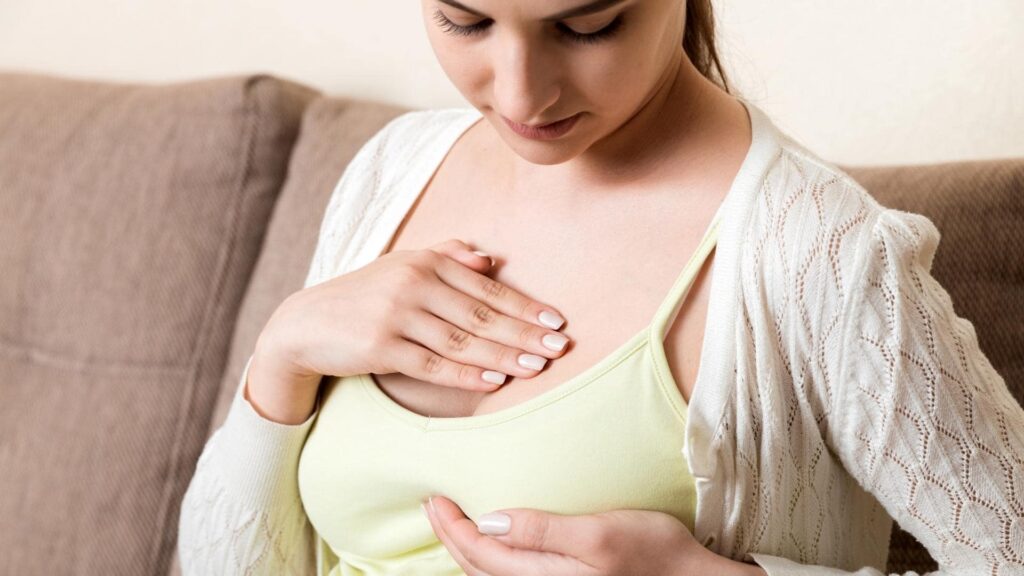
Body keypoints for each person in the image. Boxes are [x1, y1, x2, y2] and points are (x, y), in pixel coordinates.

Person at [177, 0, 1024, 574]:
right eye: (464, 19)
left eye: (586, 26)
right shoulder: (393, 171)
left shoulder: (821, 257)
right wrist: (281, 358)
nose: (519, 93)